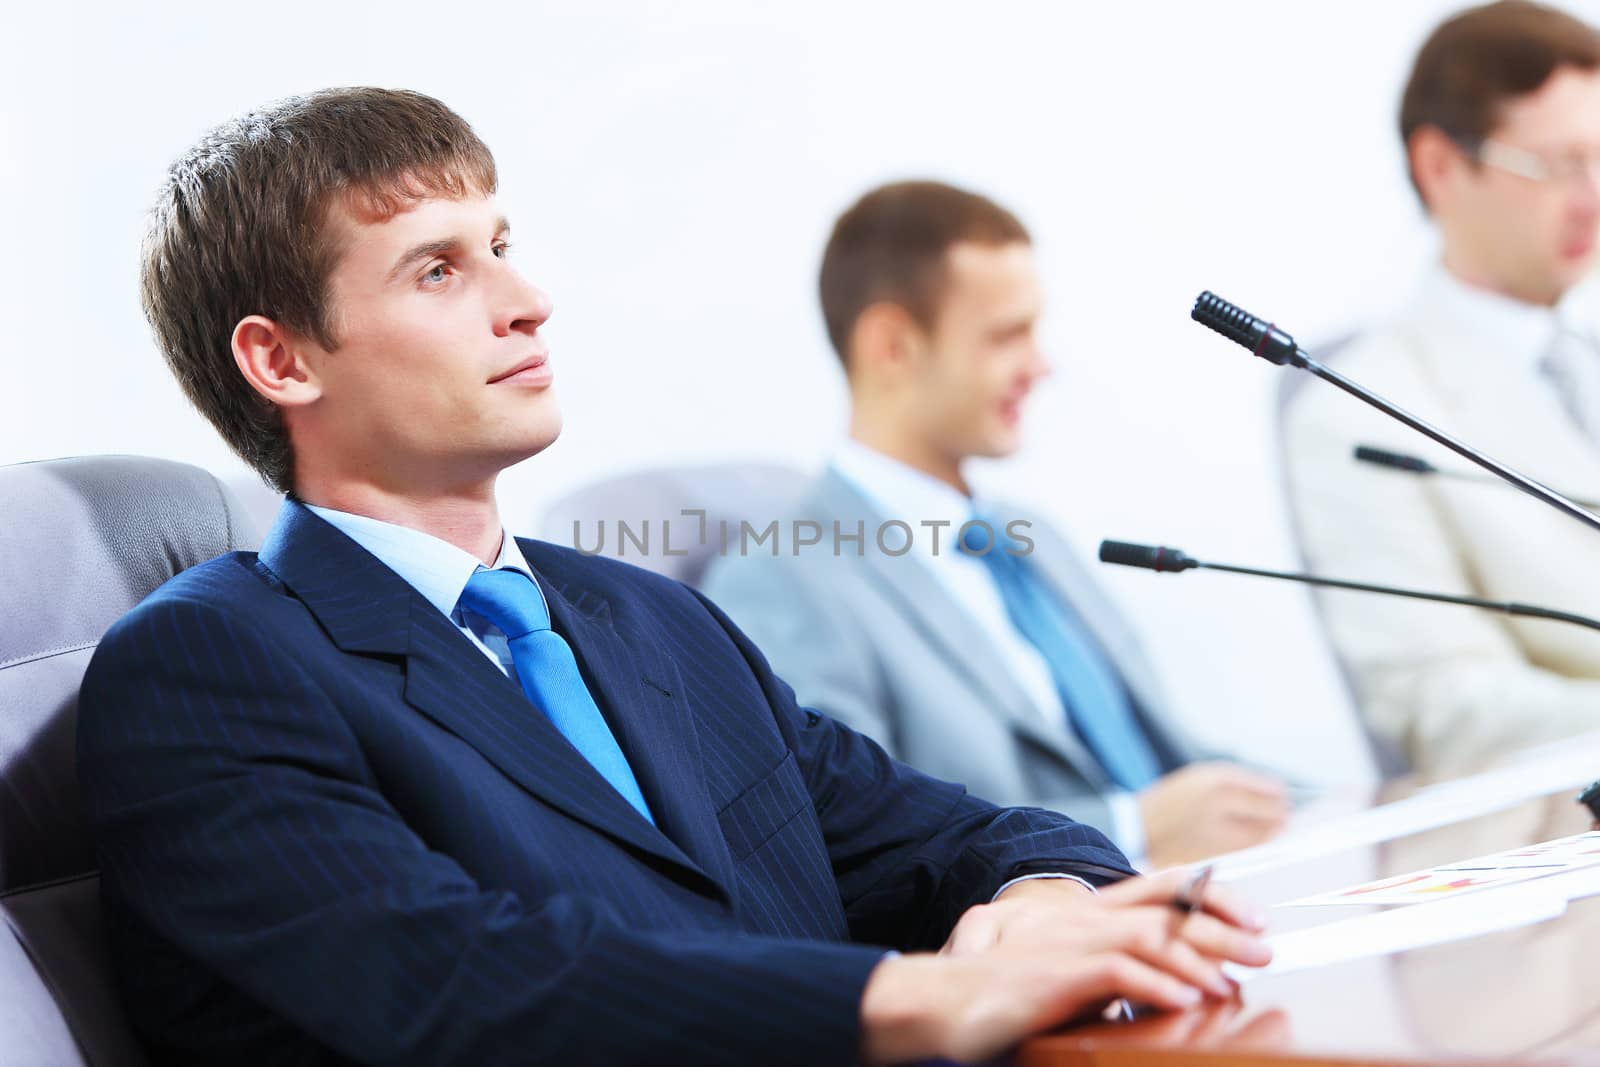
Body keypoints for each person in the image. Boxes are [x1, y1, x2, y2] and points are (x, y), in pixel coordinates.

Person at [76, 89, 1270, 1065]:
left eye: (500, 245)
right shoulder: (209, 664)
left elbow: (960, 833)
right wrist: (915, 999)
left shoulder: (652, 618)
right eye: (436, 270)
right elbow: (450, 980)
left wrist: (1045, 903)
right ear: (279, 358)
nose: (527, 300)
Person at [702, 180, 1289, 871]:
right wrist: (1129, 828)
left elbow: (1173, 767)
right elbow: (854, 846)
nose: (1041, 365)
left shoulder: (1025, 536)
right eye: (1007, 334)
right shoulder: (781, 579)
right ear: (891, 345)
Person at [1282, 0, 1600, 776]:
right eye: (1559, 164)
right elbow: (1441, 706)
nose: (1592, 194)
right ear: (1441, 167)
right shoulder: (1358, 407)